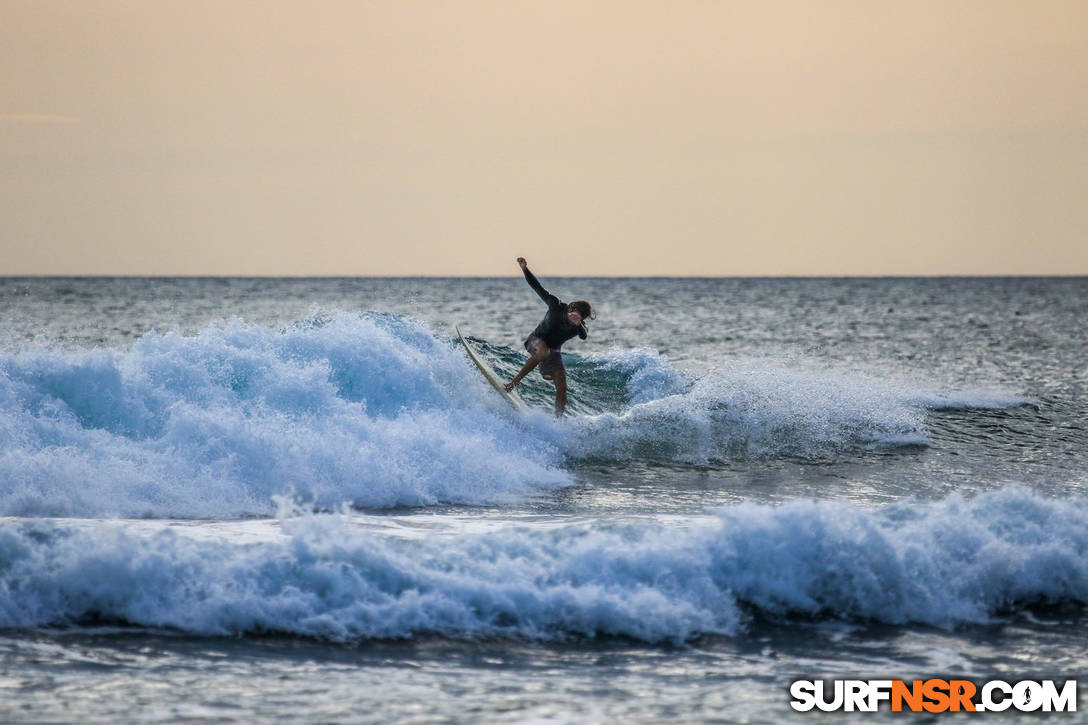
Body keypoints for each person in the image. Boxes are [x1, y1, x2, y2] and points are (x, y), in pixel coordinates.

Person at [504, 257, 594, 417]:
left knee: (562, 387)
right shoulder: (556, 305)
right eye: (573, 311)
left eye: (580, 316)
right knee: (543, 353)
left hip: (554, 351)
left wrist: (578, 323)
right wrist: (525, 269)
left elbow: (584, 336)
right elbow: (537, 287)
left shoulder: (580, 326)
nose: (574, 315)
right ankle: (513, 382)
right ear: (570, 307)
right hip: (535, 340)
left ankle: (557, 420)